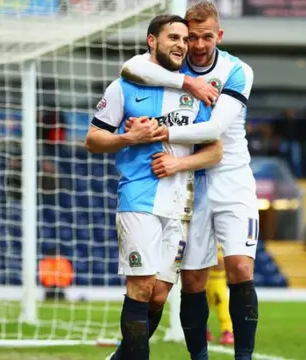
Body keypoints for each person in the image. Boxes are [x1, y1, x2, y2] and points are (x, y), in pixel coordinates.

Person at [120, 2, 259, 358]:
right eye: (192, 36)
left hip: (232, 178)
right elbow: (131, 66)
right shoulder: (176, 65)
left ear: (220, 35)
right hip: (187, 184)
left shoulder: (237, 70)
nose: (197, 45)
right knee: (194, 280)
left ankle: (243, 357)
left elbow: (215, 129)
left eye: (206, 37)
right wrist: (186, 82)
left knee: (240, 268)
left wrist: (159, 130)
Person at [84, 14, 222, 360]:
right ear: (152, 41)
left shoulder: (196, 93)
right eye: (173, 37)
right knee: (141, 286)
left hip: (180, 204)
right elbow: (92, 139)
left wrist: (179, 163)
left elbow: (214, 150)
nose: (181, 44)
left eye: (184, 39)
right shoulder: (124, 86)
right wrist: (129, 137)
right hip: (139, 198)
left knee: (159, 294)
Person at [206, 243, 234, 345]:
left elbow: (220, 264)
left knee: (222, 306)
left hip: (217, 280)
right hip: (201, 279)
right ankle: (204, 329)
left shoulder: (220, 241)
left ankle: (227, 331)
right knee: (201, 306)